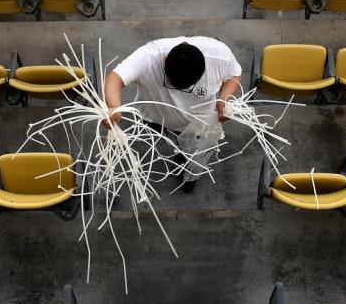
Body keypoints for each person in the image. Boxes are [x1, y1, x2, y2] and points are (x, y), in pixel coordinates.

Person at [103, 37, 242, 193]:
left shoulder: (219, 55)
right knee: (158, 135)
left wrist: (224, 99)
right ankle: (174, 144)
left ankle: (188, 169)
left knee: (190, 150)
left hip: (196, 122)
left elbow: (234, 74)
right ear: (165, 60)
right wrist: (114, 107)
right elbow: (114, 79)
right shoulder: (149, 55)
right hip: (154, 115)